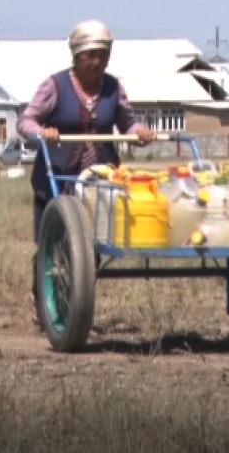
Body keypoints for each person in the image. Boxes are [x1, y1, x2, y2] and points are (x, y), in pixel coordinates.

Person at [17, 19, 156, 328]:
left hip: (97, 183)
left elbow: (127, 122)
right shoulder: (54, 86)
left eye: (103, 55)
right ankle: (44, 301)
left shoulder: (113, 88)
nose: (96, 62)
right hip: (57, 180)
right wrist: (43, 131)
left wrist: (139, 132)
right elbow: (25, 121)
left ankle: (73, 308)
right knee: (51, 245)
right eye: (90, 55)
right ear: (75, 56)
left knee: (89, 248)